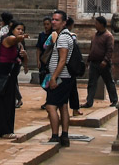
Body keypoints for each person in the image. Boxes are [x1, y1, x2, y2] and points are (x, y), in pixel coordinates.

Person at [42, 9, 77, 147]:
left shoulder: (63, 37)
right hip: (65, 77)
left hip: (61, 77)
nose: (53, 22)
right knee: (63, 106)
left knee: (51, 106)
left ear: (63, 22)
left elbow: (62, 60)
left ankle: (55, 135)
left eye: (57, 20)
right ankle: (65, 135)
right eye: (53, 19)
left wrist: (53, 78)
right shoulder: (65, 35)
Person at [0, 21, 27, 138]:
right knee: (4, 102)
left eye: (22, 29)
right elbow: (14, 39)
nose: (20, 31)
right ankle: (4, 130)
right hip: (3, 74)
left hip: (11, 75)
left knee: (9, 103)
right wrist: (22, 37)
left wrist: (24, 55)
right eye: (18, 29)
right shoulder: (8, 39)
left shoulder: (19, 44)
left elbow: (24, 61)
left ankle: (6, 129)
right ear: (12, 29)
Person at [81, 15, 117, 108]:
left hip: (103, 63)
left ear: (101, 24)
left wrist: (105, 60)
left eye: (96, 23)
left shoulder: (108, 36)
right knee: (91, 83)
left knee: (109, 82)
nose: (95, 25)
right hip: (94, 62)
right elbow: (92, 49)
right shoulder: (95, 35)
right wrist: (88, 60)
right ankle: (89, 102)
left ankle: (114, 100)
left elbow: (110, 50)